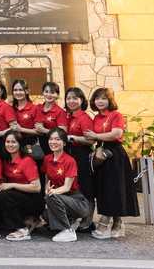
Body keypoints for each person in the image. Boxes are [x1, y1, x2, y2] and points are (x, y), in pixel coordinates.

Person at [85, 87, 139, 239]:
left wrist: (95, 135)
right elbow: (93, 137)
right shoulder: (96, 118)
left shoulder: (116, 115)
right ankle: (118, 224)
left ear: (110, 100)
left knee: (113, 189)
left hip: (114, 154)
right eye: (97, 98)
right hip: (101, 153)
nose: (100, 101)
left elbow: (116, 134)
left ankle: (104, 222)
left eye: (103, 98)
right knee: (106, 189)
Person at [42, 128, 90, 242]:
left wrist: (52, 193)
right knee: (45, 215)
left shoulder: (69, 160)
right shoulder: (47, 159)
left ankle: (67, 230)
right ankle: (72, 222)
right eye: (51, 139)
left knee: (51, 197)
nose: (53, 142)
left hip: (76, 200)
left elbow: (67, 187)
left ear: (64, 142)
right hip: (59, 198)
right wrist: (47, 190)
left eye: (57, 139)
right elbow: (47, 181)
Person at [0, 131, 44, 241]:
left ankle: (22, 229)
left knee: (5, 194)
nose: (10, 145)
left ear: (19, 144)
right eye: (7, 142)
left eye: (13, 142)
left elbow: (37, 188)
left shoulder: (27, 161)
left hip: (33, 199)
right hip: (18, 197)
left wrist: (12, 185)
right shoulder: (6, 160)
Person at [64, 86, 94, 226]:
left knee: (85, 187)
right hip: (70, 155)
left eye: (75, 98)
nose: (71, 101)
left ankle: (88, 220)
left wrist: (72, 138)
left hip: (82, 154)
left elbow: (90, 140)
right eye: (68, 98)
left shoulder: (84, 117)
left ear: (82, 100)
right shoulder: (69, 117)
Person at [9, 79, 42, 156]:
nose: (18, 93)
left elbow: (40, 132)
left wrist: (21, 130)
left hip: (30, 145)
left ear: (26, 91)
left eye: (20, 90)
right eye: (15, 90)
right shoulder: (11, 108)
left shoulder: (34, 108)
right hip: (14, 146)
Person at [35, 81, 69, 156]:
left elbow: (63, 133)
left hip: (55, 147)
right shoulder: (37, 108)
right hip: (39, 146)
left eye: (52, 92)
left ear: (57, 95)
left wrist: (44, 130)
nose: (48, 95)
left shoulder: (60, 112)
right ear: (43, 93)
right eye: (46, 92)